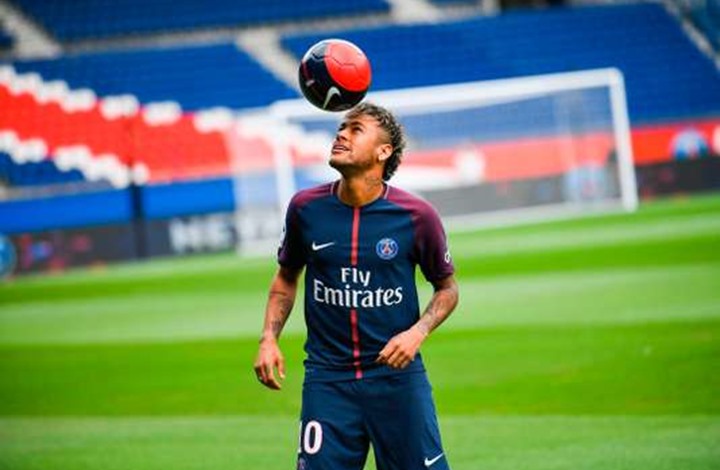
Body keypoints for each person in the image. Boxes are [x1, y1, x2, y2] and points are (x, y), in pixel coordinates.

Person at [253, 102, 459, 470]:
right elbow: (286, 277)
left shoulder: (417, 216)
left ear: (383, 151)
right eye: (341, 128)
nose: (341, 135)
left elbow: (447, 289)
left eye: (355, 129)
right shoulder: (305, 208)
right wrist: (269, 339)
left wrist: (417, 333)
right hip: (327, 381)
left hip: (397, 379)